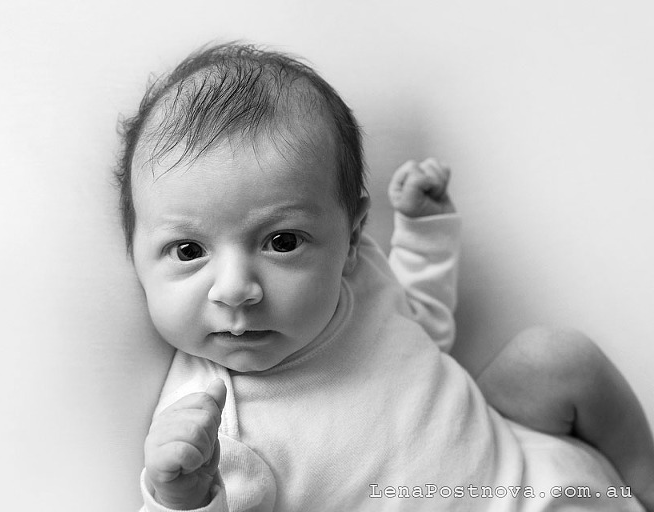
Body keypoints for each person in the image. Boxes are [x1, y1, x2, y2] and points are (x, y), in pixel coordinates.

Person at [115, 42, 653, 511]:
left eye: (282, 242)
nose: (234, 289)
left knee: (554, 356)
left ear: (350, 241)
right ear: (135, 258)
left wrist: (426, 231)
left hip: (535, 467)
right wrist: (180, 497)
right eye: (188, 250)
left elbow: (423, 333)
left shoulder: (358, 285)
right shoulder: (210, 426)